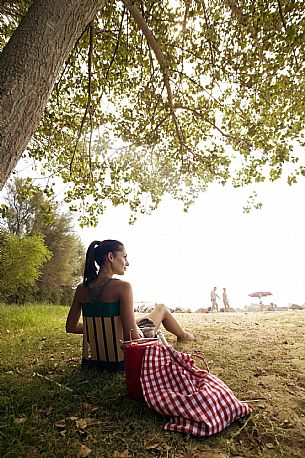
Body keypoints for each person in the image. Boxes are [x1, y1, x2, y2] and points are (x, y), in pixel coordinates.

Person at [66, 239, 195, 343]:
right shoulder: (123, 287)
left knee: (143, 318)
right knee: (161, 308)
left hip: (101, 353)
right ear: (111, 257)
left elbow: (71, 327)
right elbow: (133, 338)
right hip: (124, 351)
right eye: (124, 257)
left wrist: (101, 329)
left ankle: (183, 335)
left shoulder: (81, 288)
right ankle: (184, 335)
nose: (127, 263)